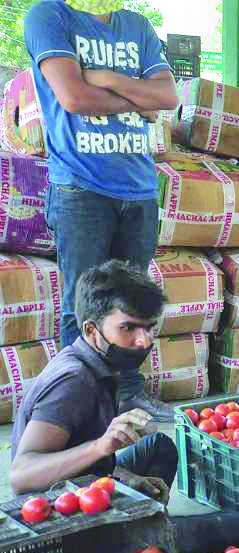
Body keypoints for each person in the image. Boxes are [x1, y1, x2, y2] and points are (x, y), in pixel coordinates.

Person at [24, 0, 179, 422]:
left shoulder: (137, 26)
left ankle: (128, 395)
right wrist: (137, 98)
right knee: (82, 304)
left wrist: (106, 78)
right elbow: (73, 96)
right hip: (81, 188)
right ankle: (76, 406)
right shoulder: (49, 16)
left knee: (133, 306)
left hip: (139, 189)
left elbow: (167, 97)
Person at [10, 260, 176, 500]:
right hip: (60, 505)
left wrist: (127, 478)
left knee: (160, 446)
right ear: (91, 330)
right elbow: (21, 476)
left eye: (149, 327)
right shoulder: (74, 382)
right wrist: (100, 446)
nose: (144, 341)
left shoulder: (101, 363)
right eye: (128, 328)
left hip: (86, 479)